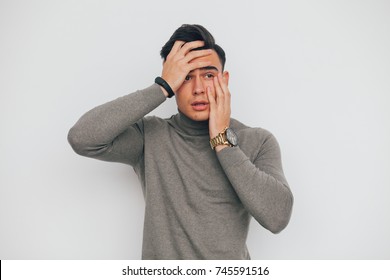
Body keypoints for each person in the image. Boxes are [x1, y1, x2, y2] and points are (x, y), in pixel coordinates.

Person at [68, 24, 293, 260]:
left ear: (224, 80)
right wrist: (161, 87)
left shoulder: (257, 140)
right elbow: (82, 138)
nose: (197, 89)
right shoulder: (150, 136)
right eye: (185, 77)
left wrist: (222, 140)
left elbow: (277, 218)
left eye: (208, 75)